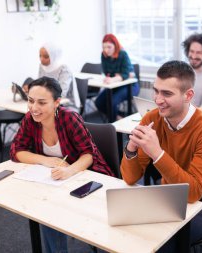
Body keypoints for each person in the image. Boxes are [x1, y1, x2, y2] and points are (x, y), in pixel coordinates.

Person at [120, 60, 202, 252]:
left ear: (188, 95)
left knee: (161, 241)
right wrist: (131, 148)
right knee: (128, 230)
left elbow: (194, 192)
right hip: (169, 194)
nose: (157, 99)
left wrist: (156, 153)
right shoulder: (153, 118)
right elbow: (130, 177)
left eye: (167, 93)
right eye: (156, 91)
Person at [10, 76, 114, 253]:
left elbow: (89, 155)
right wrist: (45, 160)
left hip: (87, 176)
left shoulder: (69, 118)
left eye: (42, 103)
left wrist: (70, 171)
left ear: (56, 102)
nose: (34, 108)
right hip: (55, 181)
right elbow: (15, 151)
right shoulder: (30, 119)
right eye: (31, 101)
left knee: (49, 209)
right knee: (46, 206)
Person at [94, 33, 140, 120]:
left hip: (130, 86)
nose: (106, 50)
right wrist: (118, 76)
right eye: (104, 47)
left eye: (109, 47)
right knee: (98, 102)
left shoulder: (123, 54)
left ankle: (114, 126)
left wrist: (115, 78)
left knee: (112, 102)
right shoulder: (104, 55)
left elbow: (126, 74)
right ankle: (118, 118)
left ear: (115, 45)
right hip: (115, 85)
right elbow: (106, 72)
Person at [38, 42, 80, 110]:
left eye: (46, 57)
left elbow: (61, 93)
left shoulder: (64, 68)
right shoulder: (42, 66)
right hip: (47, 102)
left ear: (53, 56)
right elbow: (39, 85)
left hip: (66, 105)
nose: (41, 59)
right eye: (40, 55)